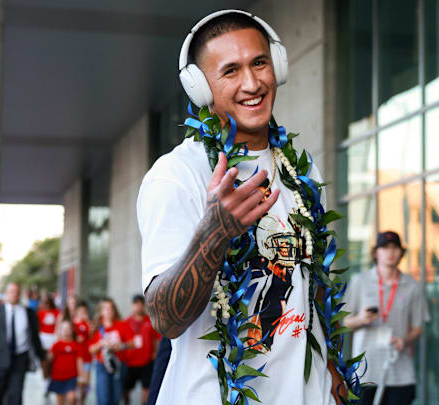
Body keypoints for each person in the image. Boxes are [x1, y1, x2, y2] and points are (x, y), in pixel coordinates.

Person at [137, 10, 347, 405]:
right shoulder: (178, 175)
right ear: (201, 88)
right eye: (230, 71)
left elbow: (310, 281)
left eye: (260, 63)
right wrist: (215, 231)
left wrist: (332, 370)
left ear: (278, 66)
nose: (252, 83)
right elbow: (166, 318)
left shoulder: (300, 169)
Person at [342, 231, 429, 405]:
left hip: (399, 370)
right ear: (376, 253)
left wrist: (405, 340)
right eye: (385, 248)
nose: (390, 252)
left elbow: (419, 327)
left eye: (395, 248)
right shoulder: (360, 281)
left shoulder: (412, 285)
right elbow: (343, 322)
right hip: (365, 371)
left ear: (401, 253)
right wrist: (361, 319)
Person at [0, 283, 46, 405]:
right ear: (6, 294)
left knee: (16, 395)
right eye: (11, 291)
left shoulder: (28, 313)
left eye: (16, 292)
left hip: (20, 358)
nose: (14, 295)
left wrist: (42, 356)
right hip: (0, 360)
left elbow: (34, 337)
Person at [89, 298, 134, 405]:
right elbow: (90, 350)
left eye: (111, 308)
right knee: (104, 398)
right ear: (101, 311)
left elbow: (132, 344)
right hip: (102, 365)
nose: (108, 311)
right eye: (105, 309)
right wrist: (101, 344)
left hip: (119, 365)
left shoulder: (122, 325)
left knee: (116, 397)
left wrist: (120, 346)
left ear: (114, 310)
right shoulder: (96, 327)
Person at [122, 295, 160, 405]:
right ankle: (126, 402)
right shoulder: (126, 322)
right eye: (136, 304)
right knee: (126, 388)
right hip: (130, 362)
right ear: (132, 305)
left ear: (144, 306)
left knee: (146, 388)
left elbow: (157, 338)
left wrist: (155, 353)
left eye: (140, 304)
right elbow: (122, 341)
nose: (138, 306)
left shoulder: (150, 321)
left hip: (147, 361)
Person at [47, 319, 84, 405]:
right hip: (57, 377)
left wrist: (82, 376)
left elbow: (79, 361)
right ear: (60, 331)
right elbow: (49, 359)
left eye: (68, 328)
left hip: (71, 377)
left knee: (72, 398)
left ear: (72, 330)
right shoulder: (56, 345)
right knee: (60, 401)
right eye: (64, 329)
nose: (66, 331)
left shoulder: (76, 345)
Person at [73, 300, 93, 404]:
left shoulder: (88, 324)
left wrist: (90, 327)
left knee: (86, 382)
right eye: (80, 312)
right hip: (76, 358)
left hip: (87, 357)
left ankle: (82, 400)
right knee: (79, 382)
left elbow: (92, 337)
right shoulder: (73, 324)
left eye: (84, 312)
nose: (82, 314)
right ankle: (78, 401)